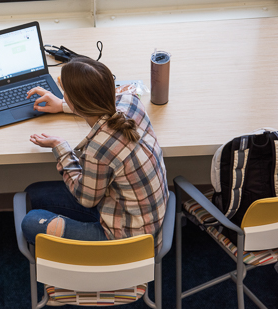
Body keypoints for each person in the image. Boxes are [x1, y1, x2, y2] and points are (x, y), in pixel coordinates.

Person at [21, 57, 169, 248]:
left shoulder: (99, 148)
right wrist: (61, 105)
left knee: (31, 222)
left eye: (64, 92)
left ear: (77, 103)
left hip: (127, 243)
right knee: (34, 194)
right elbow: (103, 108)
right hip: (150, 220)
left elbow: (85, 199)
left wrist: (60, 146)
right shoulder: (131, 101)